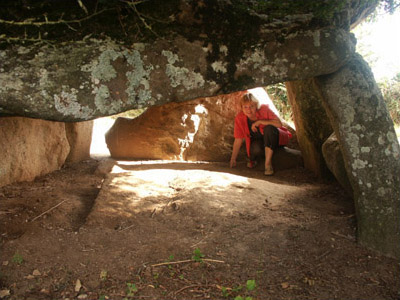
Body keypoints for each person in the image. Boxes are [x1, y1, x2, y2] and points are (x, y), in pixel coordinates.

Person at [230, 92, 292, 175]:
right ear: (242, 108)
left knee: (269, 128)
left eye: (252, 106)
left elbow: (279, 124)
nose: (249, 110)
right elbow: (238, 139)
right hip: (259, 143)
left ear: (256, 106)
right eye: (245, 107)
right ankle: (254, 160)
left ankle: (268, 164)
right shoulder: (240, 118)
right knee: (255, 149)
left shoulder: (264, 110)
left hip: (273, 138)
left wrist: (260, 122)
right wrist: (233, 159)